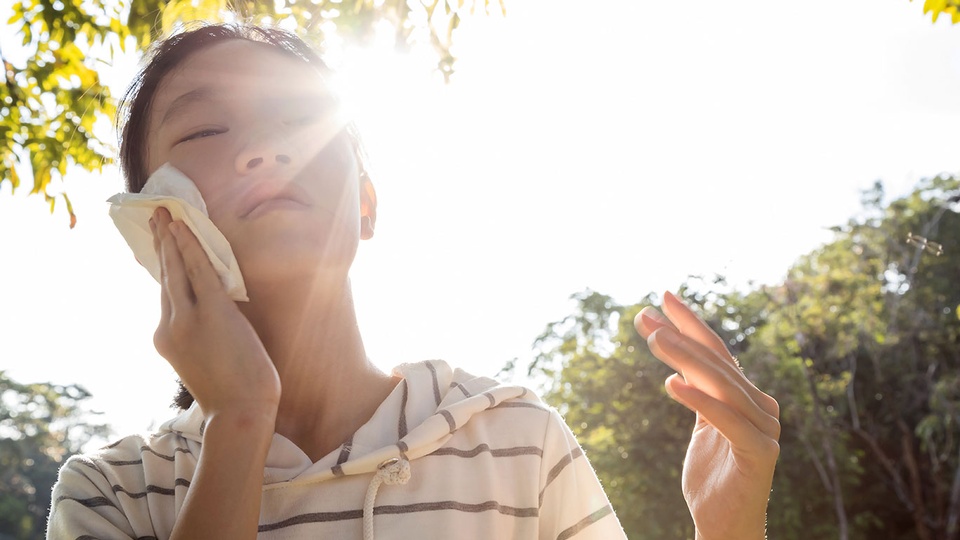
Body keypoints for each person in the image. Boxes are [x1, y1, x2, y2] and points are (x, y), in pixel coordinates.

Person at [46, 23, 780, 540]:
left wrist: (728, 530)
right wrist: (239, 418)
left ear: (365, 203)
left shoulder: (515, 443)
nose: (265, 151)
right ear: (149, 220)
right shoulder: (110, 496)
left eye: (299, 119)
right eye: (207, 130)